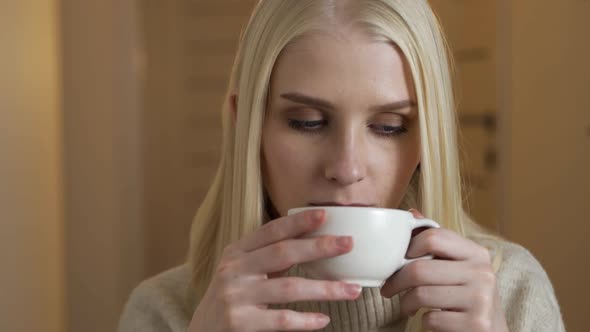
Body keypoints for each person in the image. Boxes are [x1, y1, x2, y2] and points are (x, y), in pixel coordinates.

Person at [119, 0, 565, 331]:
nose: (346, 168)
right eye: (307, 122)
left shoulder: (510, 293)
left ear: (427, 141)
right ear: (248, 129)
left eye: (389, 126)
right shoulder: (166, 312)